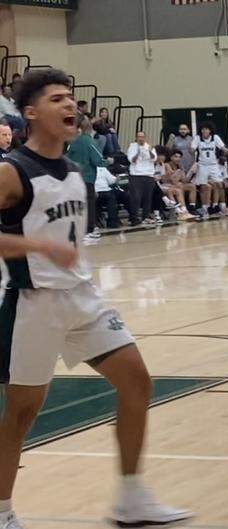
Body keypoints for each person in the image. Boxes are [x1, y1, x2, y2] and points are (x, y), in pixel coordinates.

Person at [0, 69, 193, 529]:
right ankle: (2, 512)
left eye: (71, 98)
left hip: (82, 297)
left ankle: (130, 499)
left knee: (137, 383)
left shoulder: (73, 171)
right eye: (57, 99)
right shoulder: (11, 171)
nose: (70, 106)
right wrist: (37, 247)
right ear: (30, 113)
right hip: (34, 302)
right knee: (23, 412)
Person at [65, 118, 105, 240]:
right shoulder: (89, 142)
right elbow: (98, 160)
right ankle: (88, 230)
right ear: (88, 128)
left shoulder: (72, 142)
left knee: (75, 205)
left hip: (73, 178)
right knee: (89, 204)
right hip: (87, 177)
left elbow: (65, 157)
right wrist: (109, 161)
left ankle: (74, 231)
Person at [190, 124, 227, 218]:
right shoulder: (197, 138)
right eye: (203, 129)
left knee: (220, 184)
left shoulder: (215, 137)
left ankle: (220, 206)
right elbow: (192, 149)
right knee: (203, 187)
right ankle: (204, 208)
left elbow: (223, 148)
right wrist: (191, 149)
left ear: (210, 130)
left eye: (207, 129)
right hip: (202, 165)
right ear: (201, 130)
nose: (205, 131)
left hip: (214, 165)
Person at [126, 131, 159, 226]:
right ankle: (134, 218)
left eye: (142, 136)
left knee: (147, 198)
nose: (141, 138)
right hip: (136, 175)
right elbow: (132, 160)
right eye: (139, 137)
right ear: (136, 138)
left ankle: (146, 217)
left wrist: (149, 150)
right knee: (136, 197)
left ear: (145, 138)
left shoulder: (149, 146)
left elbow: (154, 159)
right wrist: (138, 152)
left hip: (148, 175)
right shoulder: (132, 146)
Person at [94, 164, 122, 231]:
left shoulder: (103, 169)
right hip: (93, 191)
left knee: (112, 197)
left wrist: (116, 179)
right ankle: (98, 223)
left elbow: (111, 180)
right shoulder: (87, 170)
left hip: (105, 190)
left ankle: (112, 222)